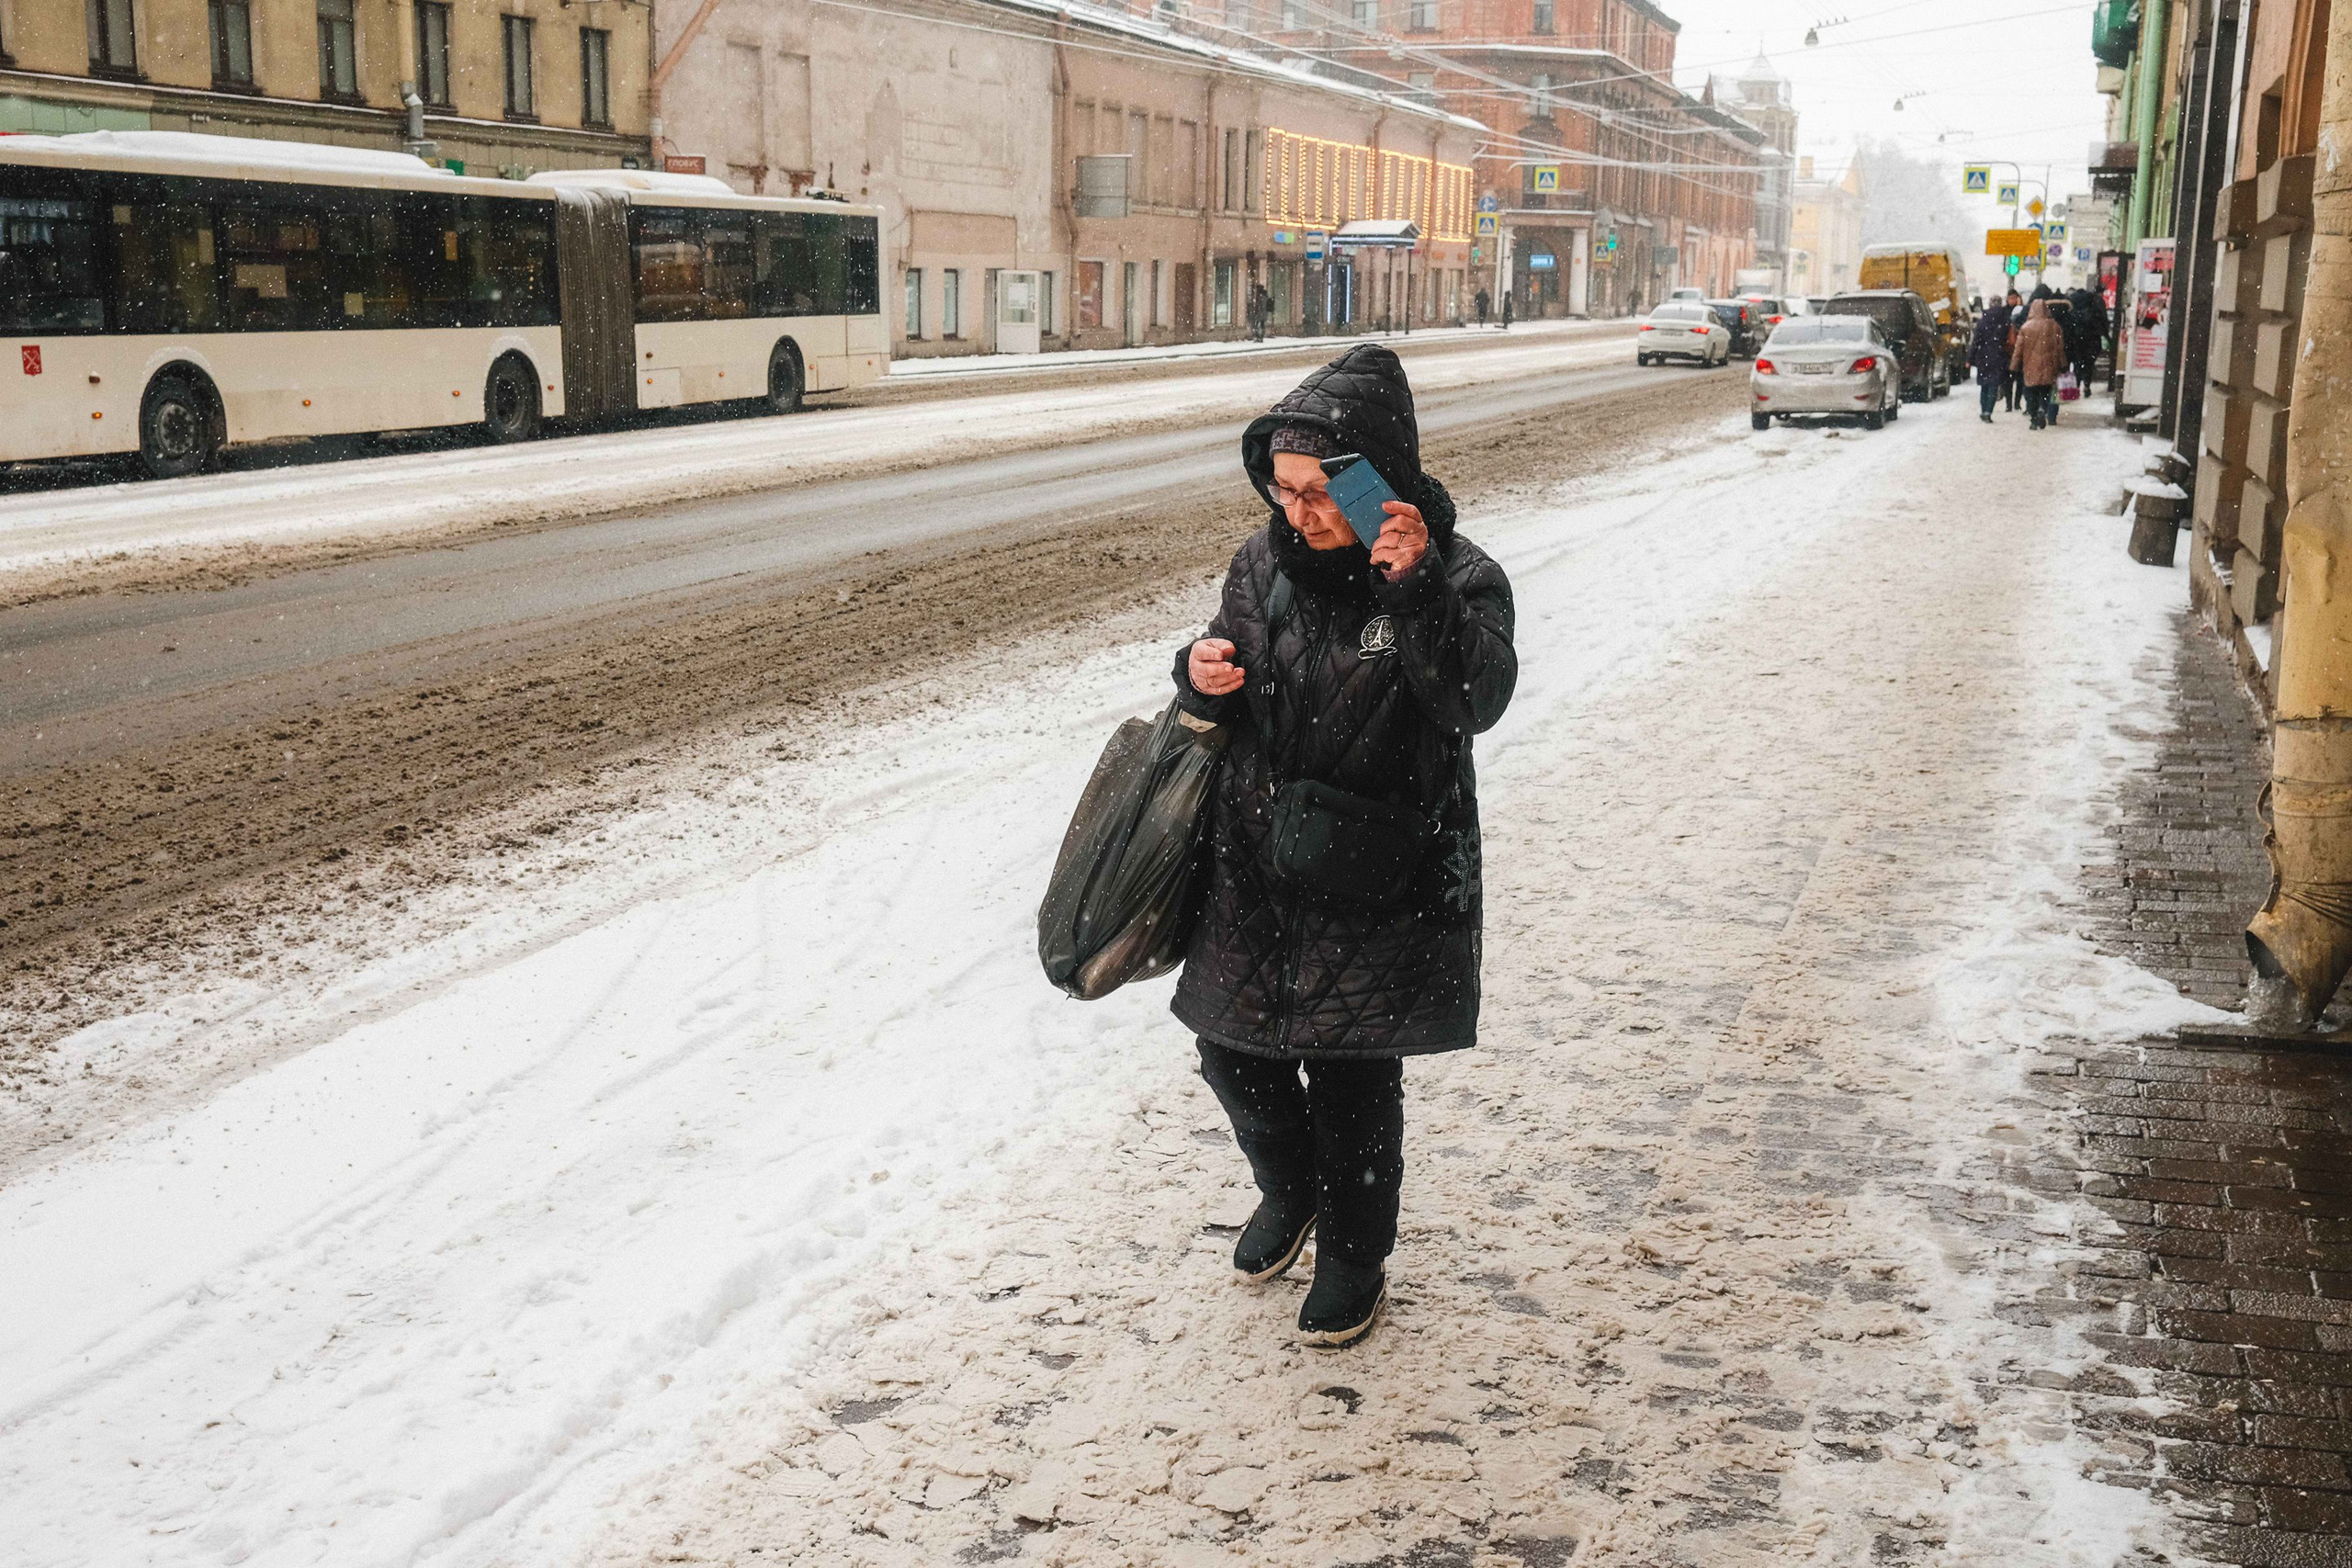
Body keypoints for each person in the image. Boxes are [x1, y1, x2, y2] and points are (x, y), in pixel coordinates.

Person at [1175, 344, 1517, 1349]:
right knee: (1231, 1051)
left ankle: (1355, 1260)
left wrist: (1413, 592)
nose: (1299, 514)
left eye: (1320, 493)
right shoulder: (1258, 564)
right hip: (1254, 860)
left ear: (1376, 479)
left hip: (1377, 870)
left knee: (1353, 1077)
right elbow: (1219, 665)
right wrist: (1197, 675)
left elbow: (1475, 698)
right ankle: (1289, 1192)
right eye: (1283, 492)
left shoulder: (1456, 573)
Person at [2009, 298, 2068, 430]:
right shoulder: (2055, 326)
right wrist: (2063, 364)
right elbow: (2060, 349)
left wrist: (2013, 366)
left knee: (2031, 394)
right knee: (2046, 392)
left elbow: (2018, 350)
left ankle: (2034, 418)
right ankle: (2043, 409)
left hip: (2031, 367)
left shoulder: (2025, 327)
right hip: (2050, 366)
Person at [1969, 300, 2013, 423]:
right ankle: (1988, 411)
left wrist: (1970, 358)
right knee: (1993, 386)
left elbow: (1976, 342)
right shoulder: (2005, 321)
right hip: (1998, 356)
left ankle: (1983, 410)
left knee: (1984, 386)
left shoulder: (1983, 322)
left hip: (1983, 357)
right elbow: (2008, 340)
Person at [2002, 288, 2028, 412]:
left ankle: (2016, 403)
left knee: (2019, 380)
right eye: (2010, 298)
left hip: (2018, 350)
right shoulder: (2004, 312)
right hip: (2009, 351)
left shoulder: (2023, 311)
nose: (2012, 300)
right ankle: (2009, 404)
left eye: (2014, 298)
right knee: (2009, 380)